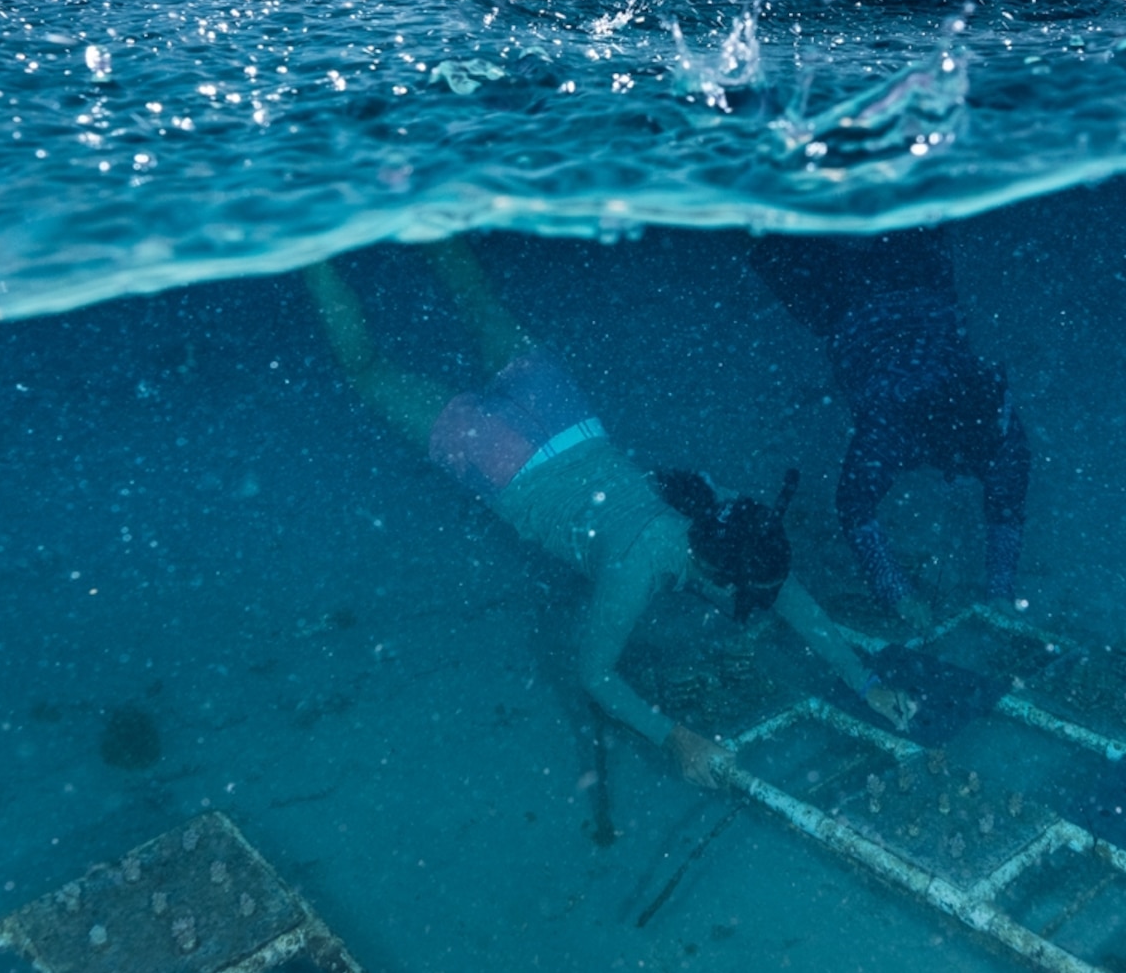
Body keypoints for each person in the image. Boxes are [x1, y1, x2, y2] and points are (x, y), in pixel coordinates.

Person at [302, 240, 918, 782]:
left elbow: (784, 592)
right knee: (368, 372)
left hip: (562, 412)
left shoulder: (723, 513)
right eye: (744, 600)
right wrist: (675, 738)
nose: (752, 610)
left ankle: (418, 208)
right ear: (711, 575)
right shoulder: (635, 570)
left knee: (476, 297)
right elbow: (594, 674)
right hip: (505, 460)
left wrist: (866, 681)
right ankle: (312, 248)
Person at [747, 228, 1031, 626]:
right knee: (760, 234)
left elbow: (1006, 509)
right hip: (844, 300)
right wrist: (897, 593)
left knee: (774, 231)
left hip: (909, 280)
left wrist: (1000, 594)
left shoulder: (997, 428)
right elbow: (854, 505)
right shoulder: (897, 418)